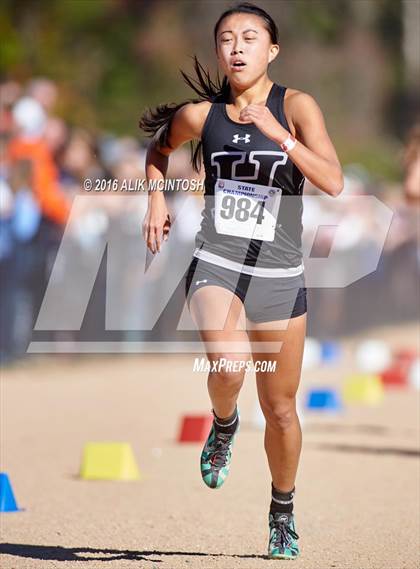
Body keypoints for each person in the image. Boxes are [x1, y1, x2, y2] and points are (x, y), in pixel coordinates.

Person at [139, 2, 343, 560]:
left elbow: (333, 180)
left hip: (280, 272)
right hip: (218, 261)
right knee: (227, 366)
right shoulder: (202, 116)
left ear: (271, 50)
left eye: (249, 38)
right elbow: (157, 150)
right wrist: (156, 196)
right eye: (226, 38)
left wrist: (280, 133)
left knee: (280, 410)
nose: (236, 47)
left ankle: (282, 509)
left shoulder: (297, 106)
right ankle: (224, 424)